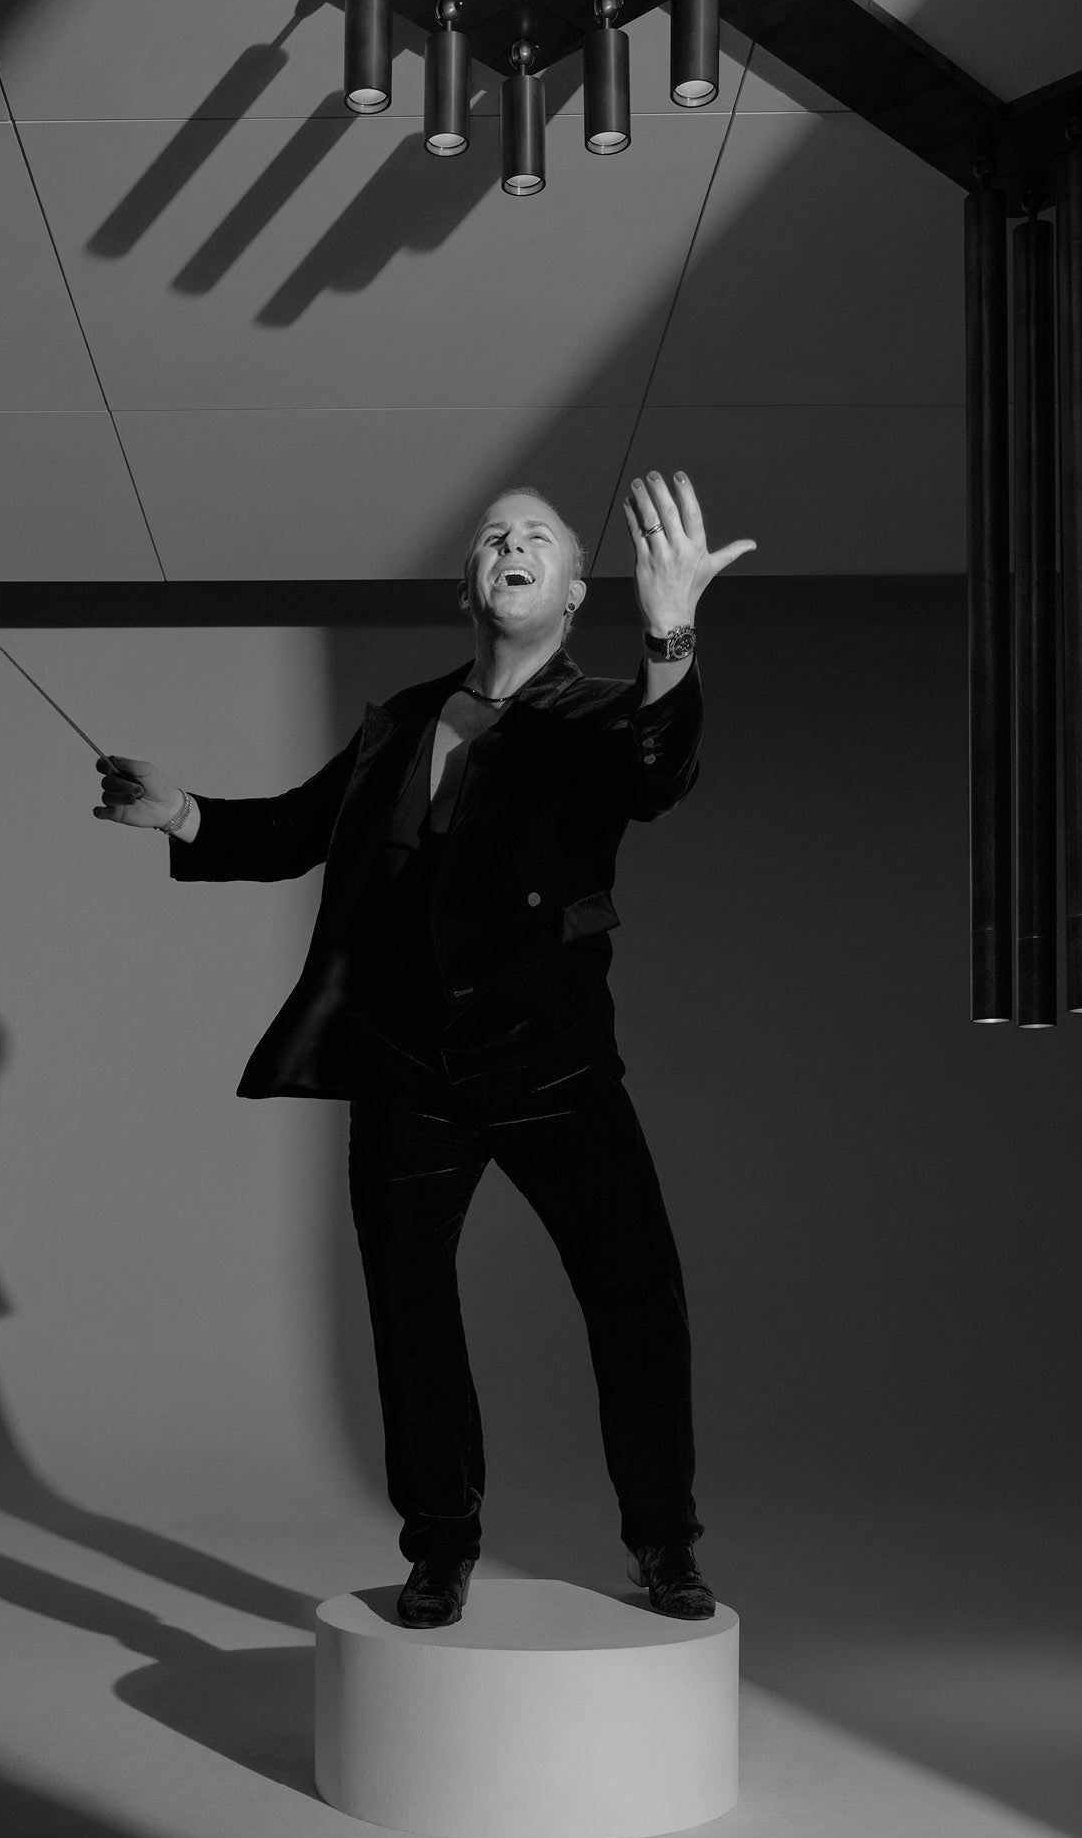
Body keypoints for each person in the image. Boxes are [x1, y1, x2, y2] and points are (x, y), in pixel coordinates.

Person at [96, 470, 754, 1628]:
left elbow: (662, 768)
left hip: (549, 1062)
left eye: (536, 538)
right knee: (409, 1312)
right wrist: (184, 814)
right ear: (468, 581)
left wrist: (669, 632)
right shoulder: (399, 721)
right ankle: (440, 1545)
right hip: (404, 1065)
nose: (510, 546)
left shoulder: (602, 713)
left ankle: (664, 1545)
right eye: (493, 536)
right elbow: (296, 828)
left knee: (635, 1303)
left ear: (569, 587)